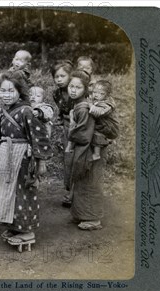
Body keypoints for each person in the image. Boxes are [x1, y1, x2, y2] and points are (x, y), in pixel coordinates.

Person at [0, 71, 51, 251]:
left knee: (23, 192)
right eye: (3, 91)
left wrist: (41, 162)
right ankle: (14, 226)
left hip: (22, 158)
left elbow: (39, 136)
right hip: (6, 155)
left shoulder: (27, 111)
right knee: (7, 191)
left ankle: (26, 231)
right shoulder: (3, 111)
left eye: (11, 91)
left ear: (20, 91)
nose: (7, 95)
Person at [66, 70, 106, 231]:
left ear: (85, 90)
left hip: (89, 150)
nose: (73, 90)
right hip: (86, 147)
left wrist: (71, 127)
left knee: (89, 181)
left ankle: (93, 218)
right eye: (71, 86)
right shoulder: (81, 105)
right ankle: (82, 214)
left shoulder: (83, 108)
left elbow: (83, 134)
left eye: (78, 87)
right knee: (82, 182)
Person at [51, 60, 75, 207]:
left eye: (62, 76)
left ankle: (75, 193)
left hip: (80, 127)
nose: (59, 79)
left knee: (76, 160)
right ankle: (70, 190)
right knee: (68, 159)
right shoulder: (56, 93)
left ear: (70, 76)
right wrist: (60, 118)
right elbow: (61, 109)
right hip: (67, 127)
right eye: (56, 76)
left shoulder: (77, 90)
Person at [88, 80, 119, 160]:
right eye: (95, 92)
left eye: (101, 93)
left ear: (107, 95)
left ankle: (96, 154)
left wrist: (90, 105)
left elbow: (99, 112)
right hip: (103, 123)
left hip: (109, 126)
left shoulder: (108, 104)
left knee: (97, 134)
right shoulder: (99, 99)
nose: (97, 95)